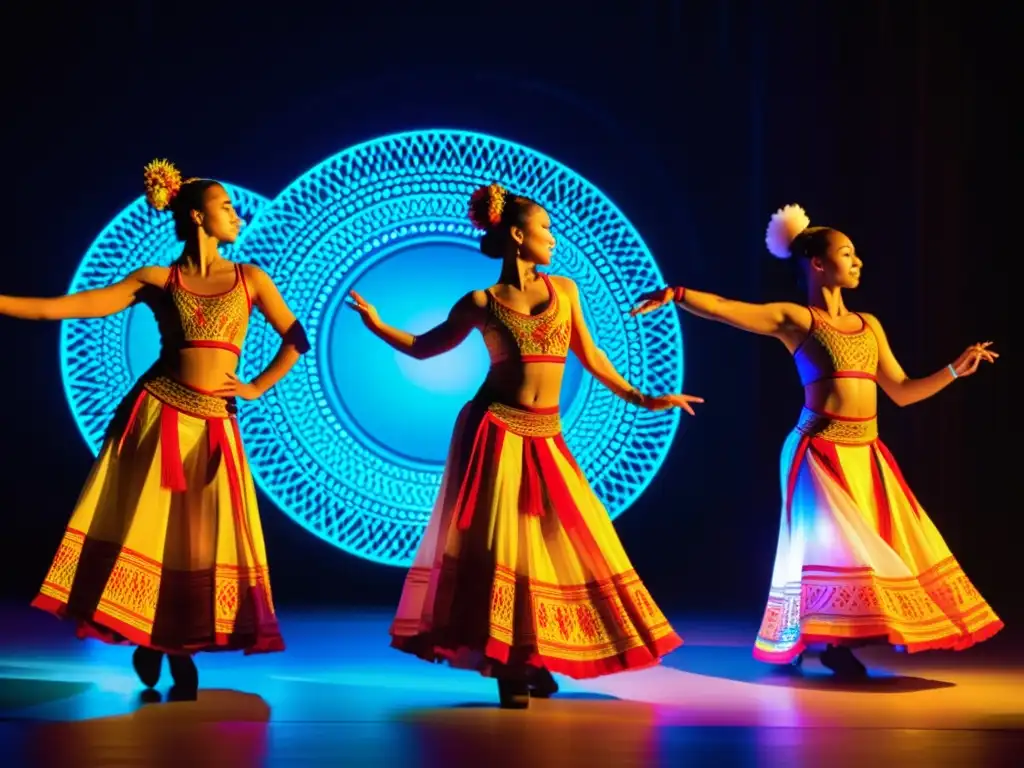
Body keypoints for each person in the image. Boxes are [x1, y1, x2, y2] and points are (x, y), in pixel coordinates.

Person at [348, 183, 702, 708]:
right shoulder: (482, 302)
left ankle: (533, 653)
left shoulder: (566, 292)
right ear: (517, 235)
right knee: (501, 550)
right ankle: (509, 665)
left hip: (545, 434)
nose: (553, 239)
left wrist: (642, 398)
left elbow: (592, 354)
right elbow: (426, 348)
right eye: (545, 229)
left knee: (559, 543)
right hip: (494, 431)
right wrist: (378, 325)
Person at [630, 203, 1002, 677]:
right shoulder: (797, 319)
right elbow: (729, 310)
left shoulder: (870, 326)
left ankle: (823, 636)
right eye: (848, 254)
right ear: (819, 264)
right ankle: (830, 642)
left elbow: (903, 393)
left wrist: (954, 369)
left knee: (872, 549)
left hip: (866, 453)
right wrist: (676, 294)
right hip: (818, 452)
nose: (858, 262)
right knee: (833, 549)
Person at [1, 159, 309, 699]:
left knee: (197, 541)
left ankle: (177, 643)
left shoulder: (251, 278)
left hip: (215, 426)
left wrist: (258, 386)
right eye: (225, 207)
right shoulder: (156, 279)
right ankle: (155, 640)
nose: (235, 216)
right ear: (196, 216)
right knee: (151, 534)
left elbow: (297, 337)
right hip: (157, 414)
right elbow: (65, 308)